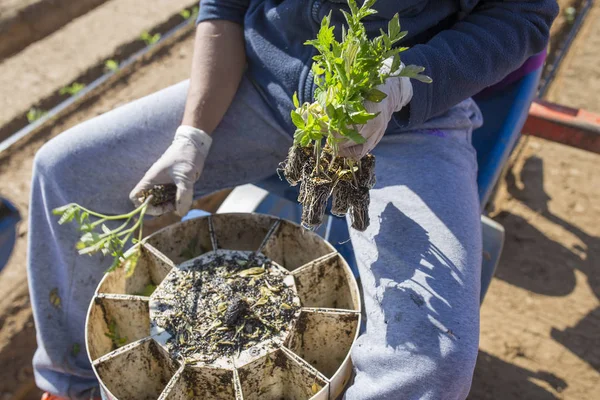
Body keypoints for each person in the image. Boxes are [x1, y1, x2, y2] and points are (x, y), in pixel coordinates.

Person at [28, 0, 557, 399]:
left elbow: (523, 15)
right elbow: (225, 5)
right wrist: (194, 134)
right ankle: (74, 380)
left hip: (403, 119)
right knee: (68, 171)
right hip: (264, 86)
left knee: (430, 359)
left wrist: (400, 87)